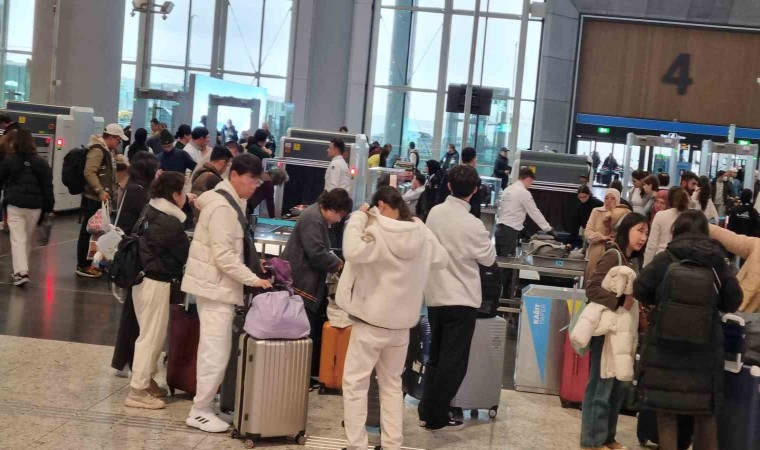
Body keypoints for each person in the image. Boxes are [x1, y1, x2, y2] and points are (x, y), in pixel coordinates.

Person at [337, 186, 448, 450]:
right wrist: (422, 232)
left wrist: (359, 217)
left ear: (382, 206)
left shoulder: (375, 231)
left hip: (370, 323)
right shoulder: (420, 232)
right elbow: (441, 259)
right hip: (401, 327)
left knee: (355, 385)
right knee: (391, 386)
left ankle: (356, 445)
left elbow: (351, 250)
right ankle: (392, 444)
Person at [634, 210, 742, 450]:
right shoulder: (717, 262)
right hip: (705, 352)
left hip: (664, 350)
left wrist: (661, 301)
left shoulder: (665, 258)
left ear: (677, 230)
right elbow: (734, 300)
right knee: (704, 413)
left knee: (667, 413)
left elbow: (639, 288)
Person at [182, 154, 273, 432]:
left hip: (217, 287)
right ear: (234, 175)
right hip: (215, 289)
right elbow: (224, 257)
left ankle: (205, 405)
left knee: (215, 350)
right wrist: (254, 280)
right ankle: (199, 410)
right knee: (215, 352)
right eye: (250, 180)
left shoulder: (230, 202)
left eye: (257, 182)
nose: (254, 186)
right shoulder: (223, 207)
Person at [419, 164, 495, 432]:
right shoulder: (473, 224)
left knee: (435, 357)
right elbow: (489, 258)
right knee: (454, 363)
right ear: (475, 190)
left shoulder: (435, 213)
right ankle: (437, 416)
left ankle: (427, 410)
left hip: (435, 295)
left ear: (449, 186)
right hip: (462, 299)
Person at [580, 213, 649, 450]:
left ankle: (608, 437)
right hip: (607, 331)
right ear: (627, 229)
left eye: (646, 233)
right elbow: (592, 288)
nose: (643, 237)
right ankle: (593, 440)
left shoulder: (633, 260)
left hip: (623, 332)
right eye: (639, 231)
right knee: (601, 385)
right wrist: (619, 301)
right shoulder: (613, 255)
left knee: (617, 387)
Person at [124, 172, 192, 410]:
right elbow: (185, 253)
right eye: (184, 192)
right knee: (151, 337)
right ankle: (137, 390)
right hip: (155, 282)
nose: (186, 196)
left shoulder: (150, 210)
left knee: (151, 333)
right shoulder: (169, 222)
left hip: (142, 279)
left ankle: (147, 380)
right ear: (175, 194)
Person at [282, 189, 353, 382]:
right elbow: (316, 253)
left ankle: (301, 374)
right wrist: (338, 265)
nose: (338, 220)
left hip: (304, 281)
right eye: (339, 215)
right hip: (302, 283)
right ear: (332, 208)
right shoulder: (314, 219)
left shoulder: (316, 215)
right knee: (302, 331)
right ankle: (297, 376)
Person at [111, 152, 160, 378]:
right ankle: (128, 362)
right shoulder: (138, 191)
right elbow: (150, 218)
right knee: (133, 313)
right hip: (135, 256)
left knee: (132, 311)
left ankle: (123, 362)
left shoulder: (133, 187)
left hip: (132, 253)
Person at [0, 129, 54, 286]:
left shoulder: (9, 161)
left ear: (14, 143)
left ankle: (21, 272)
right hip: (35, 206)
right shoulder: (41, 162)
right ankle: (22, 269)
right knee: (27, 238)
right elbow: (47, 187)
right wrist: (48, 208)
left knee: (18, 239)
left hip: (15, 204)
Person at [76, 123, 127, 278]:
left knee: (96, 232)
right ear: (111, 137)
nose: (118, 144)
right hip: (93, 198)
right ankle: (83, 265)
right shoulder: (98, 150)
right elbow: (89, 172)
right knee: (88, 232)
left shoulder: (106, 151)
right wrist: (99, 190)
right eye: (118, 140)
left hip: (99, 198)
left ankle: (91, 263)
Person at [495, 168, 554, 257]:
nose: (530, 186)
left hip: (499, 231)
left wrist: (522, 229)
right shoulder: (523, 193)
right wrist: (548, 229)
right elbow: (534, 212)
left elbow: (508, 212)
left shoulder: (507, 189)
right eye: (531, 183)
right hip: (509, 234)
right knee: (507, 263)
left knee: (501, 261)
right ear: (528, 179)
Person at [644, 187, 691, 266]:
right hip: (682, 262)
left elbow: (652, 245)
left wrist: (646, 265)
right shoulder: (690, 217)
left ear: (668, 200)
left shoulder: (660, 215)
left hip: (662, 259)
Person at [584, 189, 622, 278]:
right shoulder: (596, 211)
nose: (609, 201)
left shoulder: (622, 214)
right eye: (606, 198)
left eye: (613, 198)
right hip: (596, 250)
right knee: (592, 277)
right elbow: (587, 232)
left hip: (613, 252)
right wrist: (601, 237)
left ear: (618, 200)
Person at [436, 147, 483, 218]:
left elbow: (441, 194)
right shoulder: (475, 177)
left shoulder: (450, 172)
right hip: (466, 215)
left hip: (446, 212)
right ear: (474, 159)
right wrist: (476, 218)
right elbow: (475, 203)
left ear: (462, 158)